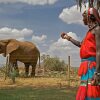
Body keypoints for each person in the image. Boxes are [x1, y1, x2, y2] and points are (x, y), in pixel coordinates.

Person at [61, 7, 100, 100]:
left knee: (93, 91)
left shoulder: (97, 29)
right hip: (85, 67)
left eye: (84, 16)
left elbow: (99, 51)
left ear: (90, 17)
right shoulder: (89, 32)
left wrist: (97, 73)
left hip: (92, 67)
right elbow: (80, 44)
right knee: (85, 91)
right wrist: (68, 38)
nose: (82, 19)